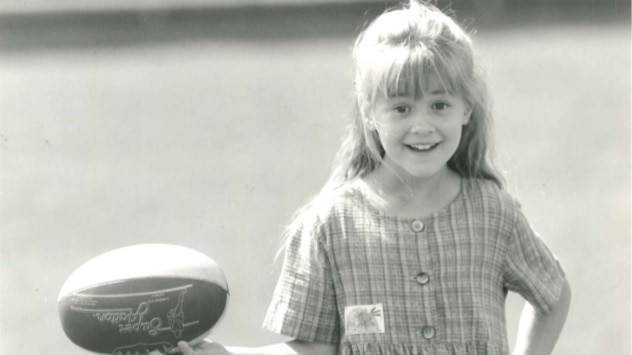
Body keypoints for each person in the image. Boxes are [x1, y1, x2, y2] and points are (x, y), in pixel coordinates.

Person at [152, 1, 571, 354]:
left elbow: (552, 294)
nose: (422, 125)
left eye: (440, 105)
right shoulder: (329, 225)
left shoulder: (492, 212)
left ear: (467, 109)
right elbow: (311, 349)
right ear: (370, 114)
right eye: (402, 108)